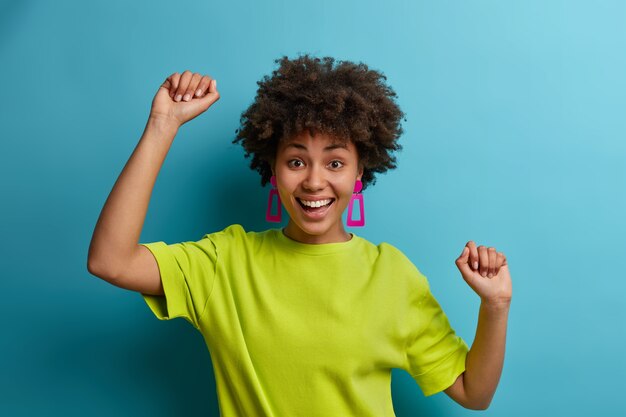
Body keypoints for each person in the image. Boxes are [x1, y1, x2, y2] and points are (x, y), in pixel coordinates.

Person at [87, 54, 512, 416]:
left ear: (360, 172)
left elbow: (474, 393)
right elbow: (110, 261)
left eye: (334, 163)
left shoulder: (392, 275)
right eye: (295, 161)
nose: (313, 182)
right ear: (272, 169)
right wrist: (163, 125)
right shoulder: (226, 262)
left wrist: (495, 304)